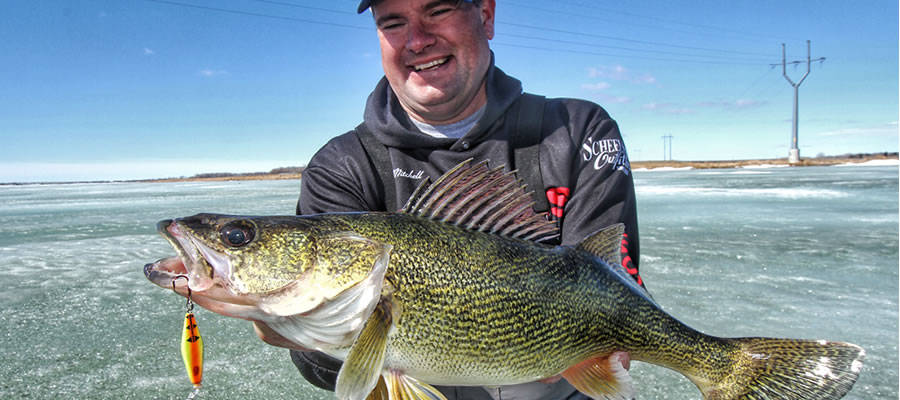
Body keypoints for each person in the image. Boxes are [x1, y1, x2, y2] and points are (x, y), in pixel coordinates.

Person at [254, 0, 643, 398]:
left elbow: (611, 288)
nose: (418, 40)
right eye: (393, 22)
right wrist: (297, 327)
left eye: (438, 10)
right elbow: (329, 370)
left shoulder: (576, 131)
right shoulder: (341, 167)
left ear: (487, 15)